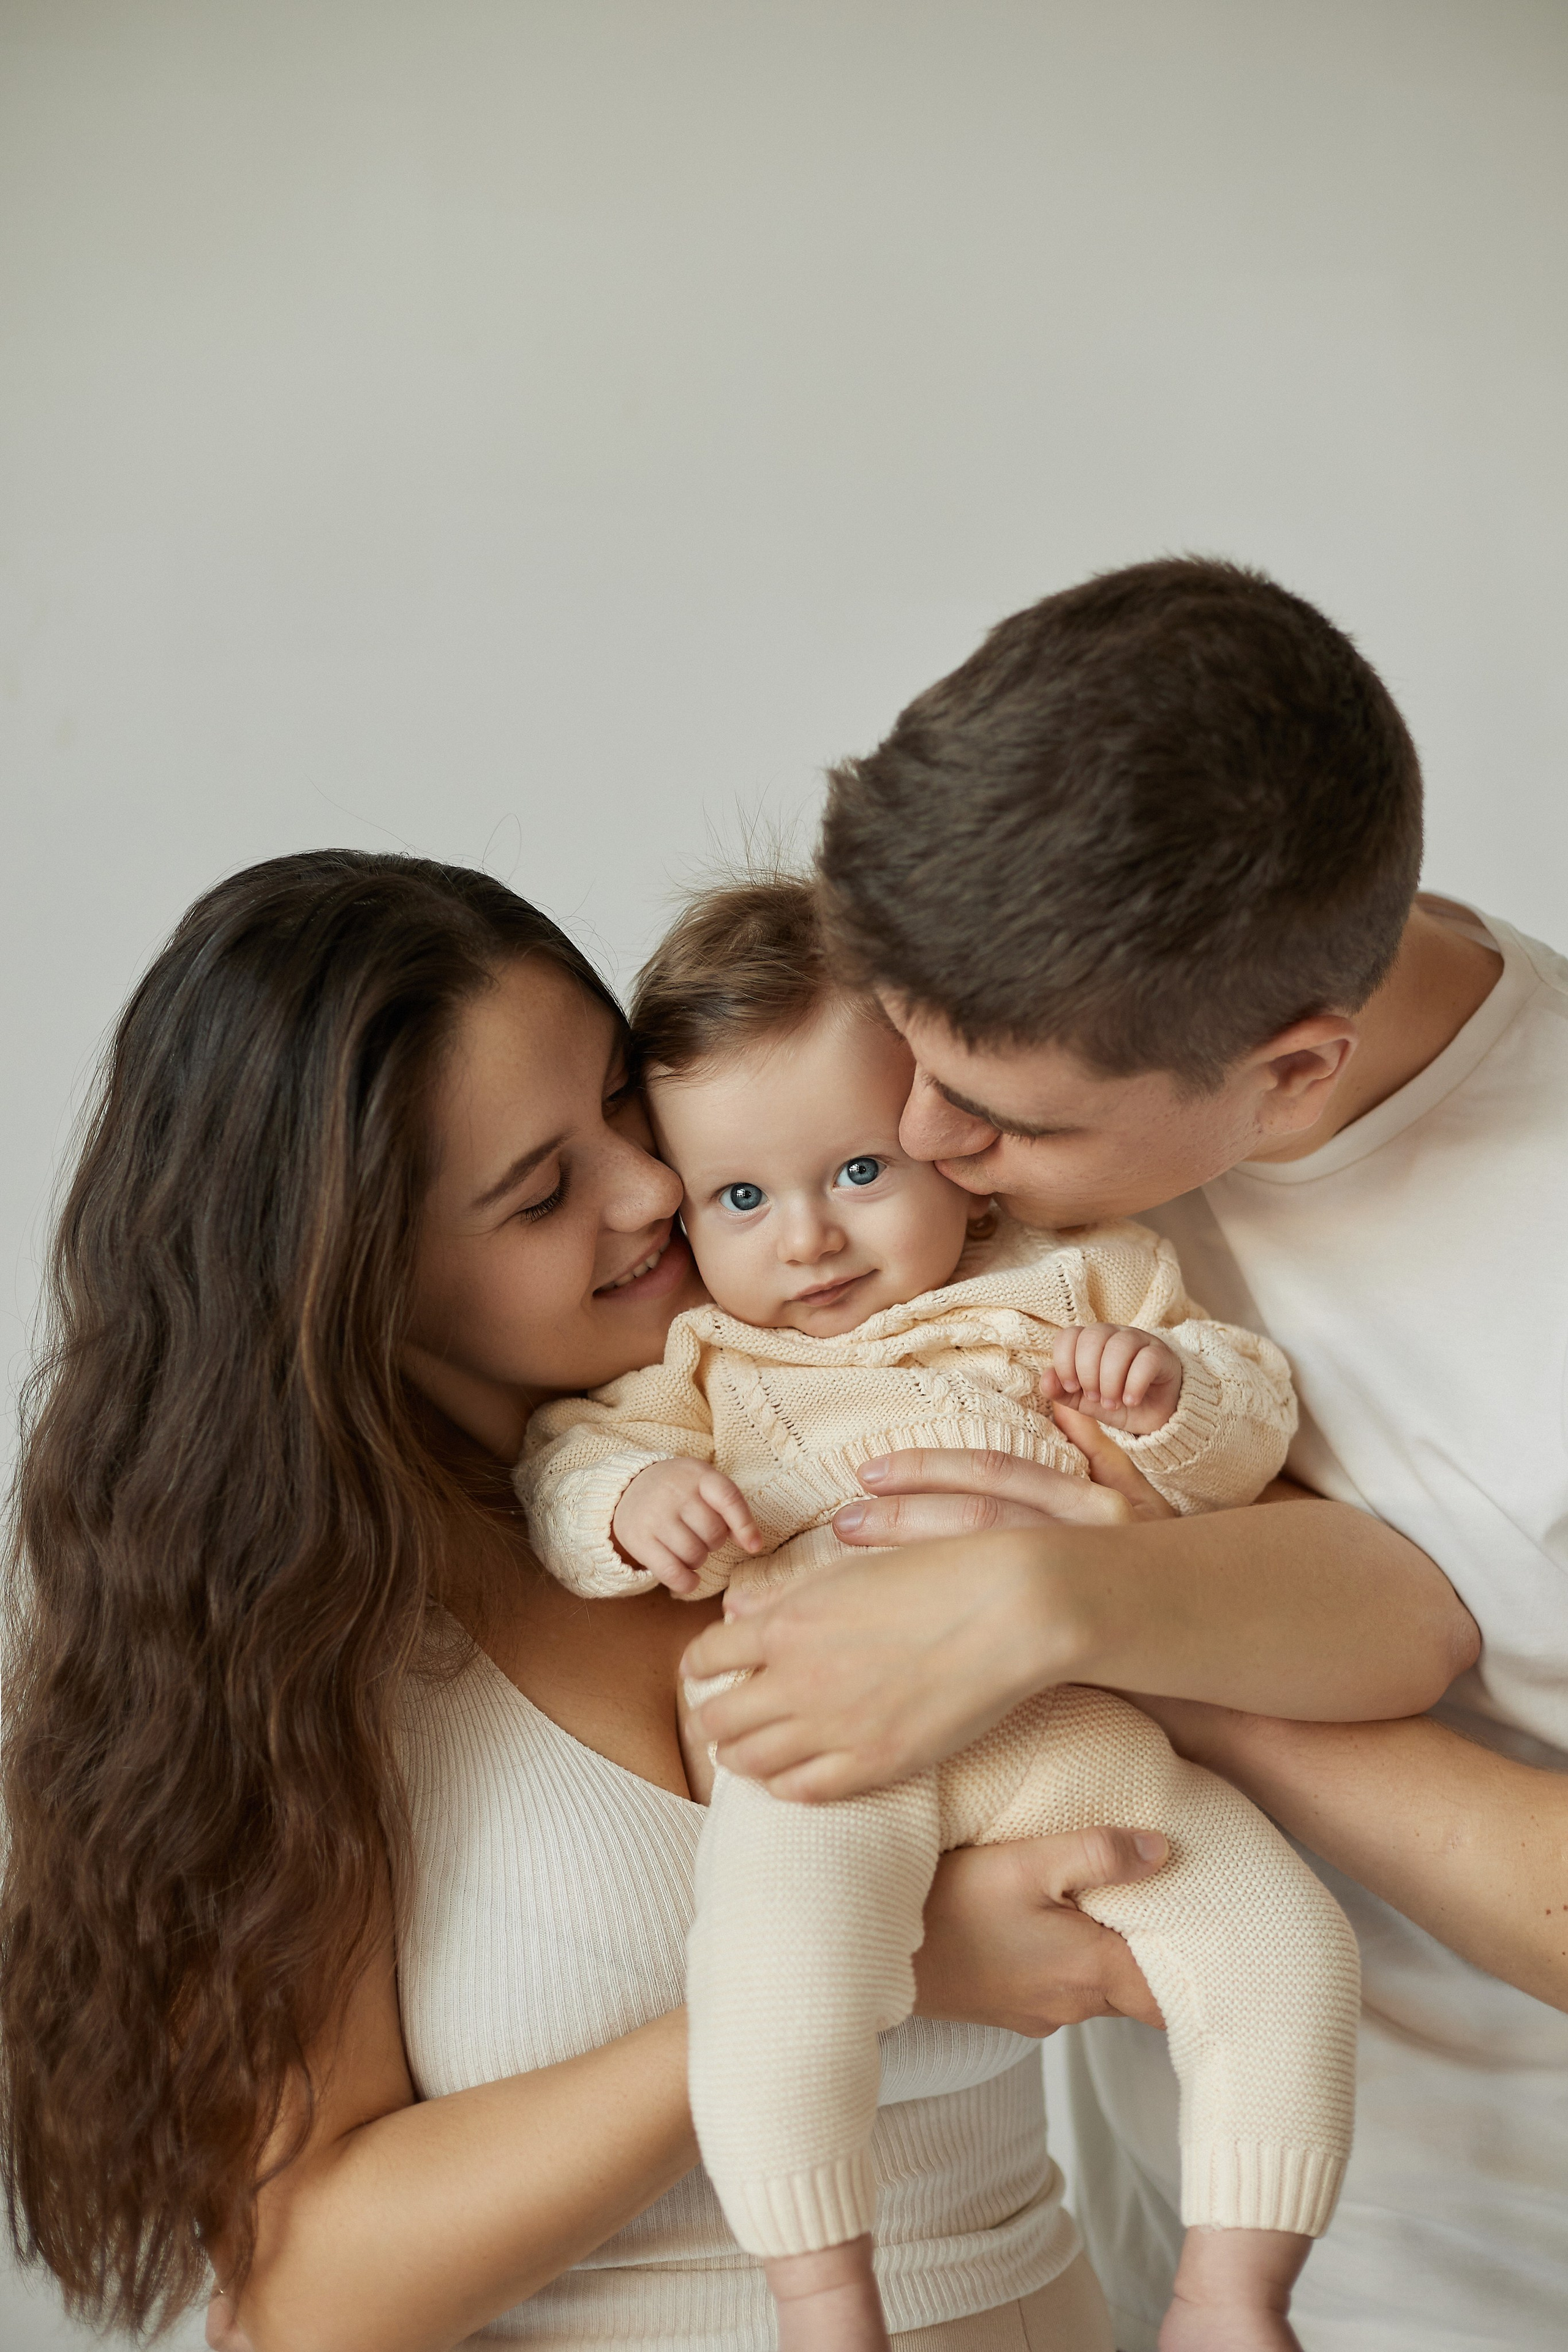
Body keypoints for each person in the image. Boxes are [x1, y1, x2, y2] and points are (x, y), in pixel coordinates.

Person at [3, 845, 1213, 2352]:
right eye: (538, 1191)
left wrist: (1110, 1578)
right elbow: (303, 2296)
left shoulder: (907, 1374)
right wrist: (874, 1970)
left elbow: (1392, 1625)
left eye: (622, 1105)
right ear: (360, 1281)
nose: (655, 1187)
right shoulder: (305, 1643)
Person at [682, 558, 1568, 2352]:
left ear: (1292, 1075)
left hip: (1461, 2275)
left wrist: (1085, 1621)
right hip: (1129, 2195)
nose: (920, 1141)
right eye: (907, 1062)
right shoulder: (1195, 960)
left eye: (995, 1120)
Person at [520, 874, 1355, 2352]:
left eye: (855, 1171)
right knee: (774, 1958)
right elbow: (565, 1464)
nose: (806, 1241)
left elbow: (1244, 1420)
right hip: (829, 1743)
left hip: (1071, 1735)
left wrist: (1162, 1404)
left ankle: (1233, 2290)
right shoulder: (707, 1364)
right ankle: (821, 2293)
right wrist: (630, 1503)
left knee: (1278, 1935)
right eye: (740, 1198)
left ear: (947, 1144)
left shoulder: (1080, 1280)